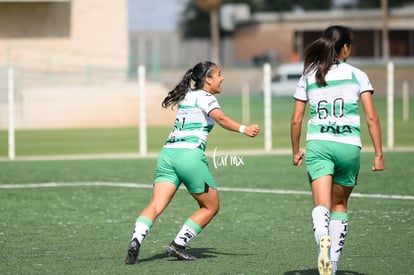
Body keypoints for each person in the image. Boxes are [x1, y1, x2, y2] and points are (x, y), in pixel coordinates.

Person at [125, 61, 260, 265]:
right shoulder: (206, 98)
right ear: (207, 79)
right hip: (189, 156)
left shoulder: (187, 95)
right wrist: (244, 129)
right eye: (219, 74)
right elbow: (221, 119)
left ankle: (136, 239)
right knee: (210, 206)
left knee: (155, 204)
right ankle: (178, 245)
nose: (222, 78)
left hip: (167, 154)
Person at [290, 25, 385, 275]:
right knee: (339, 205)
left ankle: (323, 238)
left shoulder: (309, 75)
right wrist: (378, 154)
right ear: (344, 48)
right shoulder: (357, 75)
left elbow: (296, 120)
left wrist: (295, 150)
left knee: (321, 205)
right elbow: (372, 118)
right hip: (348, 147)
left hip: (319, 146)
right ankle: (331, 267)